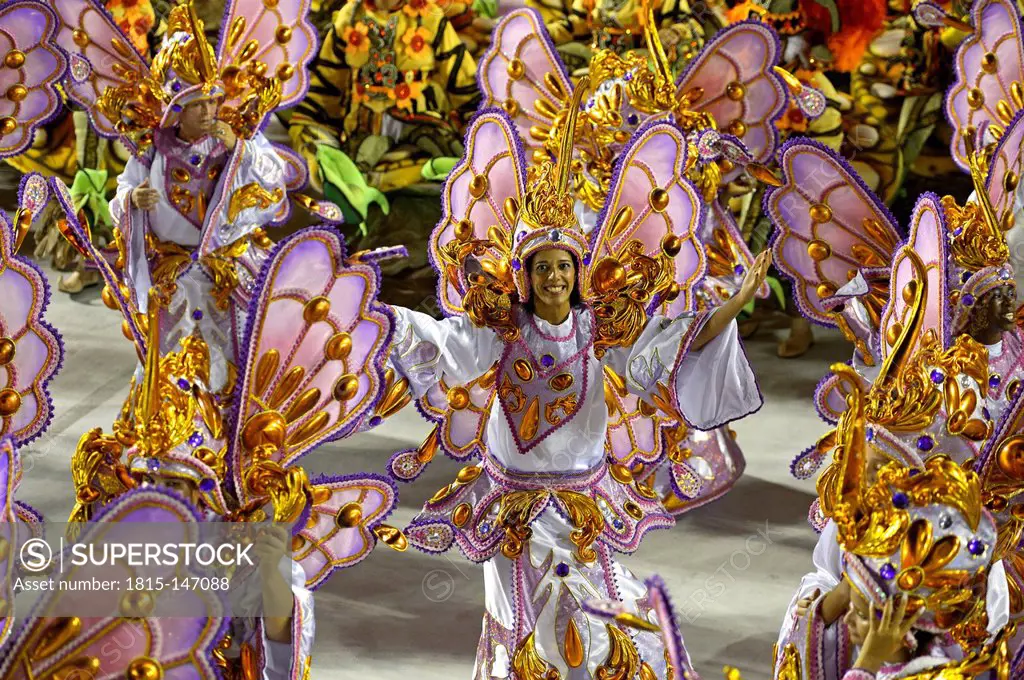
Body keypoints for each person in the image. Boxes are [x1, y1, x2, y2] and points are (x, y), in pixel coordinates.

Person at [372, 101, 767, 676]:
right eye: (542, 268)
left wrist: (734, 304)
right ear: (524, 278)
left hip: (583, 506)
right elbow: (437, 341)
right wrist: (381, 317)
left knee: (591, 622)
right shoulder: (499, 333)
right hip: (514, 510)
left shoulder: (602, 332)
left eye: (563, 266)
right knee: (519, 627)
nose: (554, 276)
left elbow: (675, 343)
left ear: (578, 272)